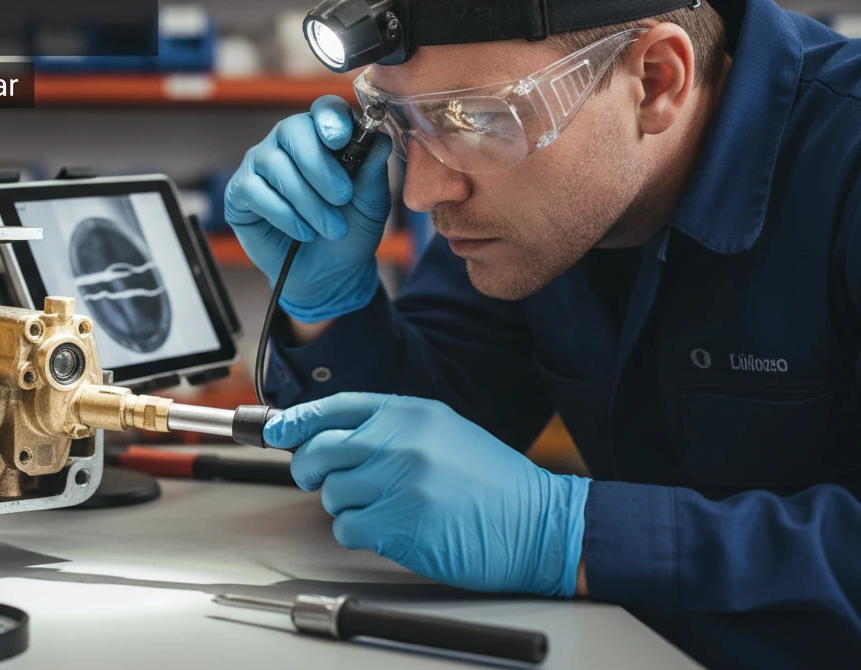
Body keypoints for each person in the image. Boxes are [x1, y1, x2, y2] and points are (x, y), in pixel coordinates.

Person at [224, 0, 861, 667]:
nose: (420, 192)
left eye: (470, 118)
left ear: (656, 80)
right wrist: (328, 306)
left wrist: (574, 538)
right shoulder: (531, 199)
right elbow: (429, 458)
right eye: (399, 122)